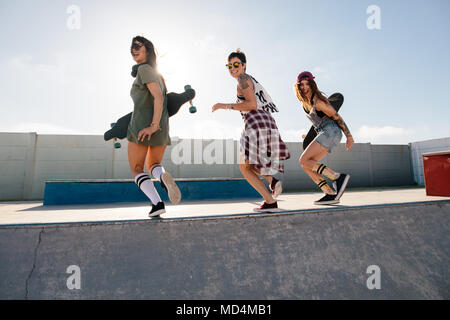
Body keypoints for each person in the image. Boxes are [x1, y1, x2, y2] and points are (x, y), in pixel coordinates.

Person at [212, 49, 290, 212]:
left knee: (244, 167)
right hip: (267, 121)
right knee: (248, 165)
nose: (233, 69)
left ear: (244, 65)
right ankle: (271, 196)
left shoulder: (243, 79)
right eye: (229, 66)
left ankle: (271, 190)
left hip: (255, 121)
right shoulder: (252, 80)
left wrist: (224, 106)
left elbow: (251, 105)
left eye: (236, 64)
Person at [127, 36, 181, 217]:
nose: (133, 49)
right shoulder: (158, 75)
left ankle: (157, 202)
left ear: (148, 51)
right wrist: (158, 126)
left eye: (138, 46)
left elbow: (157, 97)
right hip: (162, 126)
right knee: (154, 164)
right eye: (132, 46)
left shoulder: (144, 69)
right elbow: (163, 99)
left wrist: (151, 126)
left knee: (136, 168)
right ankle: (162, 178)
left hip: (143, 125)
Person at [294, 71, 353, 205]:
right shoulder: (305, 104)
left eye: (307, 84)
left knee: (303, 160)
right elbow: (318, 122)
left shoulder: (319, 101)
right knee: (307, 165)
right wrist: (309, 135)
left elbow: (336, 117)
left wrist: (349, 136)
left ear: (312, 85)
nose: (304, 87)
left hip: (330, 131)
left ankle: (338, 177)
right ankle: (330, 193)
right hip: (324, 132)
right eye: (301, 85)